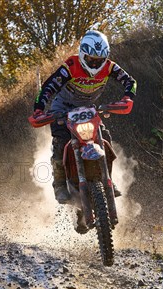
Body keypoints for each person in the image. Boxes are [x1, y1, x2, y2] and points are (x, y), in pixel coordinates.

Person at [31, 30, 137, 203]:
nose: (95, 64)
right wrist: (39, 109)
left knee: (105, 137)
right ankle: (59, 185)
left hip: (88, 110)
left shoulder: (110, 67)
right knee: (59, 142)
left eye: (99, 61)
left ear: (105, 58)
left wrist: (127, 98)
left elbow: (130, 82)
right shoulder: (71, 66)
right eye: (91, 60)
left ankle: (107, 179)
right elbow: (48, 87)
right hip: (62, 109)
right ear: (82, 55)